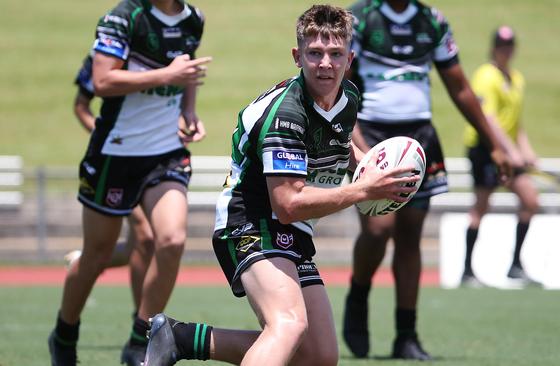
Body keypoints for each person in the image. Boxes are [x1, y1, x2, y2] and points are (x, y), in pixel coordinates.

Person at [142, 5, 420, 366]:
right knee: (287, 325)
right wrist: (366, 190)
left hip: (291, 230)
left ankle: (180, 338)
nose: (325, 64)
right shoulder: (286, 115)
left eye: (336, 54)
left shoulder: (346, 98)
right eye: (315, 53)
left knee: (317, 356)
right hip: (250, 223)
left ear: (349, 59)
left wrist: (369, 166)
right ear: (297, 56)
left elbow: (338, 138)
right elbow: (288, 202)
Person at [342, 0, 511, 360]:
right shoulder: (359, 18)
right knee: (377, 230)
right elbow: (338, 87)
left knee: (410, 237)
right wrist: (358, 145)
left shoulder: (432, 21)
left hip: (419, 139)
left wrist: (493, 143)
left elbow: (460, 87)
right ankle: (358, 294)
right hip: (370, 134)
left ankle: (407, 334)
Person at [47, 0, 210, 365]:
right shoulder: (123, 18)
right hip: (114, 156)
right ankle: (64, 333)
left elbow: (187, 71)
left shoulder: (193, 19)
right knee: (97, 255)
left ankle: (140, 341)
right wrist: (165, 76)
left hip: (166, 152)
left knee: (171, 239)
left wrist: (188, 111)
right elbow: (102, 81)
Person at [66, 54, 156, 318]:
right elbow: (81, 105)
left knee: (135, 247)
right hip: (114, 163)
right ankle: (142, 325)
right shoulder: (102, 56)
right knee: (145, 237)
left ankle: (83, 261)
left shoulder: (162, 50)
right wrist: (106, 136)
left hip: (152, 159)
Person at [461, 26, 540, 287]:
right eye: (501, 45)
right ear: (494, 47)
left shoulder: (516, 78)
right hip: (485, 149)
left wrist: (525, 149)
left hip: (508, 151)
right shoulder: (486, 76)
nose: (505, 50)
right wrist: (511, 151)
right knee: (481, 206)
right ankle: (467, 271)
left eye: (509, 46)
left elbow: (515, 123)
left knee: (530, 199)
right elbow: (489, 119)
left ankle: (516, 265)